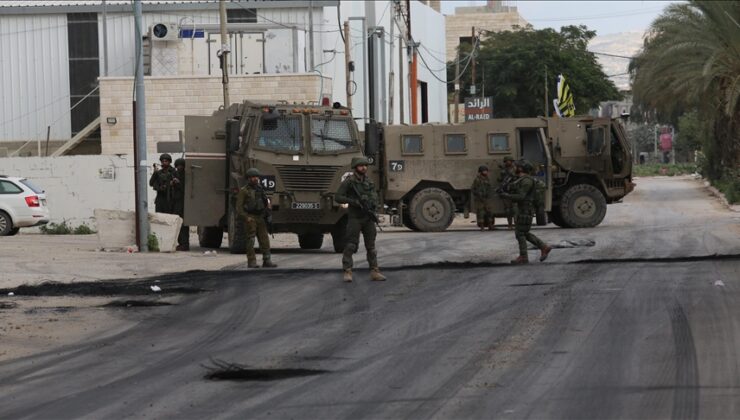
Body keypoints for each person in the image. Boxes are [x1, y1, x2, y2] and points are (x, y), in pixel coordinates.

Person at [335, 157, 386, 282]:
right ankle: (347, 271)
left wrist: (373, 207)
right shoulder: (349, 182)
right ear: (355, 167)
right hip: (355, 218)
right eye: (361, 165)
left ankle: (374, 271)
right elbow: (338, 197)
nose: (364, 167)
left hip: (367, 218)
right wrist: (353, 202)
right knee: (351, 245)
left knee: (371, 247)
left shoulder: (369, 181)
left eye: (365, 165)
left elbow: (374, 197)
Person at [499, 160, 552, 264]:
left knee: (520, 233)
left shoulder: (527, 181)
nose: (515, 168)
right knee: (523, 233)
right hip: (524, 209)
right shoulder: (522, 180)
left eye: (517, 167)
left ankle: (524, 256)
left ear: (521, 169)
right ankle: (543, 247)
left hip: (525, 209)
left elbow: (521, 196)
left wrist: (506, 196)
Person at [235, 168, 277, 268]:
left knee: (264, 240)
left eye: (257, 177)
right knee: (251, 240)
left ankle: (267, 260)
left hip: (260, 217)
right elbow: (239, 208)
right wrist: (246, 218)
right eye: (253, 177)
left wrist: (268, 211)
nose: (255, 179)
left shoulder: (260, 189)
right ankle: (251, 261)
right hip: (250, 217)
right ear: (248, 178)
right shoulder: (244, 191)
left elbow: (266, 201)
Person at [172, 158, 189, 251]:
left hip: (183, 203)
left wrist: (179, 183)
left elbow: (185, 189)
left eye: (181, 166)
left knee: (183, 225)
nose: (179, 167)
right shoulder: (175, 174)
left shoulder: (185, 176)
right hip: (176, 202)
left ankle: (184, 243)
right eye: (178, 166)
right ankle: (180, 243)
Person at [471, 165, 495, 230]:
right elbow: (473, 189)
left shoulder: (487, 178)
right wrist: (478, 194)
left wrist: (489, 194)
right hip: (480, 199)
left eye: (486, 171)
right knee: (481, 213)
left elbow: (489, 187)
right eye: (484, 171)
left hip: (487, 198)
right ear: (481, 172)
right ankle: (482, 226)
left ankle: (490, 225)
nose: (486, 172)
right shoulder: (477, 180)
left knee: (489, 212)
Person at [498, 156, 517, 229]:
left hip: (514, 191)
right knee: (507, 209)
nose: (507, 162)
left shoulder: (515, 169)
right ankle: (510, 224)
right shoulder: (503, 170)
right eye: (506, 161)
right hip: (506, 191)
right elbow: (500, 179)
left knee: (515, 209)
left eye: (508, 161)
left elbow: (518, 177)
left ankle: (516, 223)